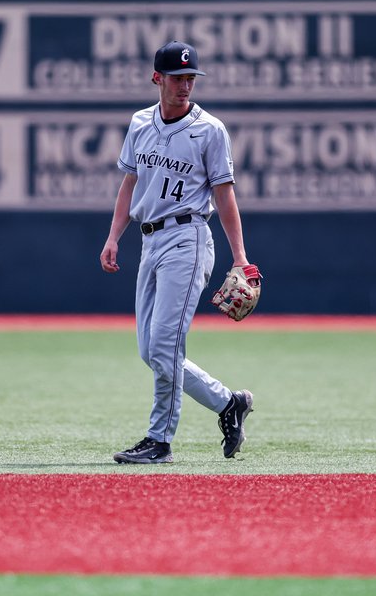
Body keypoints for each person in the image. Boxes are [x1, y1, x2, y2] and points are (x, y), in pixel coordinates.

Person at [100, 40, 258, 464]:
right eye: (177, 77)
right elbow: (130, 184)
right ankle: (229, 404)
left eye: (191, 78)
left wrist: (240, 258)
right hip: (149, 240)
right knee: (151, 351)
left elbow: (225, 198)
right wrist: (114, 236)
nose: (186, 85)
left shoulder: (210, 130)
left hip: (188, 238)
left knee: (165, 343)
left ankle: (159, 440)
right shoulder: (139, 123)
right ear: (158, 78)